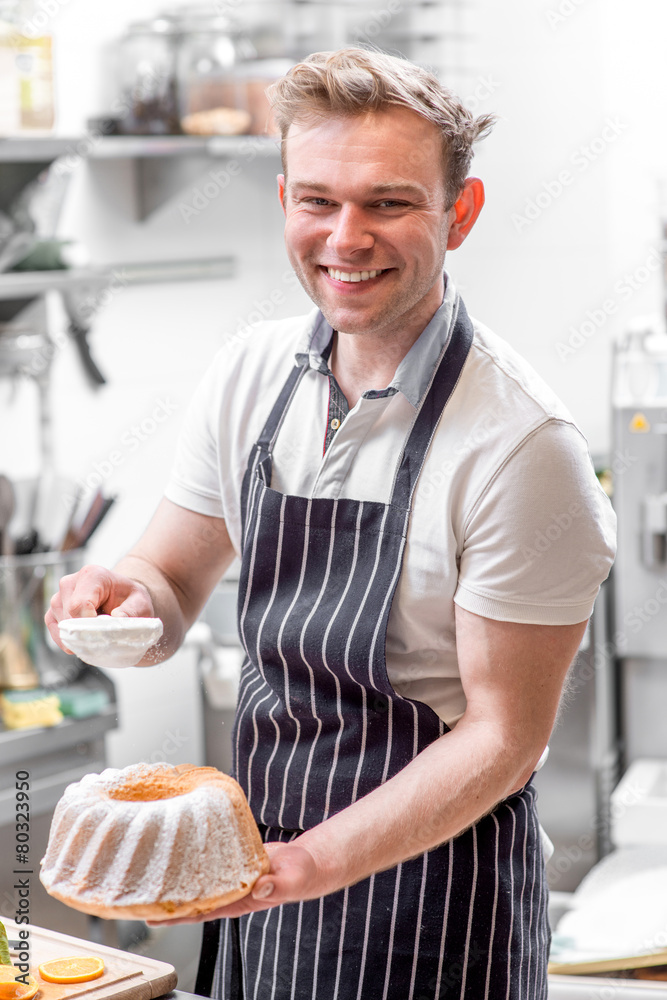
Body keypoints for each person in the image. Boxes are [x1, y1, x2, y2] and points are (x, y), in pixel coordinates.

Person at [46, 47, 616, 1000]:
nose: (345, 237)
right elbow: (172, 581)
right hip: (263, 880)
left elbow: (503, 739)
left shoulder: (520, 446)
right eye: (318, 200)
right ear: (284, 202)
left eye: (388, 203)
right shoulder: (249, 373)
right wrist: (119, 600)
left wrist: (310, 865)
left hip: (438, 909)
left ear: (458, 214)